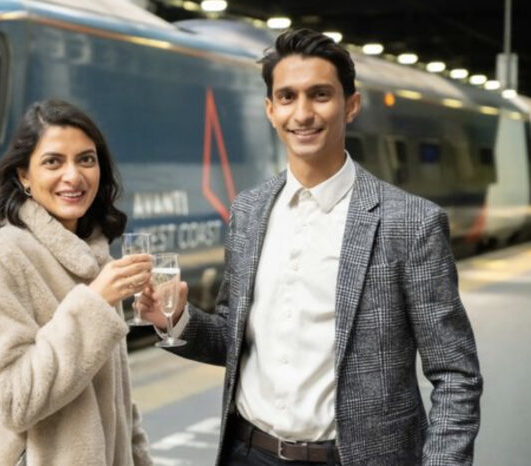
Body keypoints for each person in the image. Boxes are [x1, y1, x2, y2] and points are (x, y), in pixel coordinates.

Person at [139, 29, 482, 466]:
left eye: (320, 95)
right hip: (249, 453)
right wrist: (175, 320)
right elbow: (235, 337)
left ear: (351, 105)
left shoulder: (410, 223)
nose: (302, 113)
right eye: (287, 97)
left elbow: (456, 374)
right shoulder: (249, 210)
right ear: (270, 110)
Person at [0, 99, 153, 466]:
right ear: (24, 176)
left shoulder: (95, 259)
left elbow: (118, 401)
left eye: (86, 160)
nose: (73, 176)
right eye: (53, 162)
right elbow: (13, 401)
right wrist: (93, 305)